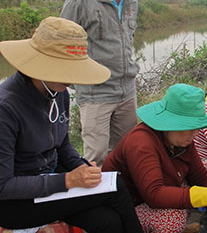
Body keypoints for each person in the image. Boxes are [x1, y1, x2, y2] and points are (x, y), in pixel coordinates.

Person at [0, 17, 143, 233]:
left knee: (107, 221)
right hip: (16, 201)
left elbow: (62, 144)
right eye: (66, 71)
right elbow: (4, 185)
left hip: (50, 178)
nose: (71, 80)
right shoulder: (6, 108)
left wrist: (80, 166)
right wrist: (67, 180)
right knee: (117, 189)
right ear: (42, 65)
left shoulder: (58, 93)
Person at [60, 0, 157, 166]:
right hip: (96, 95)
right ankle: (94, 200)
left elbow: (128, 43)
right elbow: (61, 46)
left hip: (126, 92)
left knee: (129, 151)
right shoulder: (81, 1)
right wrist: (79, 83)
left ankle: (124, 198)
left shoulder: (131, 2)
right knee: (96, 158)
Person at [102, 84, 207, 233]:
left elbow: (199, 176)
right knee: (172, 219)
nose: (195, 133)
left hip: (165, 184)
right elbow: (154, 195)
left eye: (198, 127)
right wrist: (202, 196)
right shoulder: (141, 143)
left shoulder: (181, 138)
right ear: (170, 123)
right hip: (131, 207)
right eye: (190, 127)